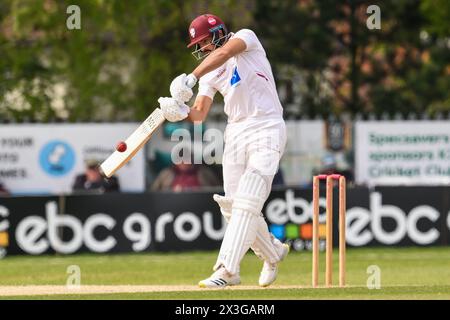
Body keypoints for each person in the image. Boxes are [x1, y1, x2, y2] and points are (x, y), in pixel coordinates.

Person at [157, 14, 289, 288]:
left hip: (266, 125)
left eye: (204, 42)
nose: (201, 49)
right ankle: (273, 252)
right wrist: (179, 111)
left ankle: (227, 270)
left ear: (218, 34)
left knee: (250, 196)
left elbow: (227, 52)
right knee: (233, 206)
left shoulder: (246, 38)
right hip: (236, 133)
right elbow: (199, 115)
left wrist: (191, 77)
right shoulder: (210, 74)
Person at [151, 161, 221, 192]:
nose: (184, 162)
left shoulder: (205, 172)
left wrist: (199, 191)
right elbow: (154, 191)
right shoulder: (166, 174)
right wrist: (171, 192)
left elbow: (218, 190)